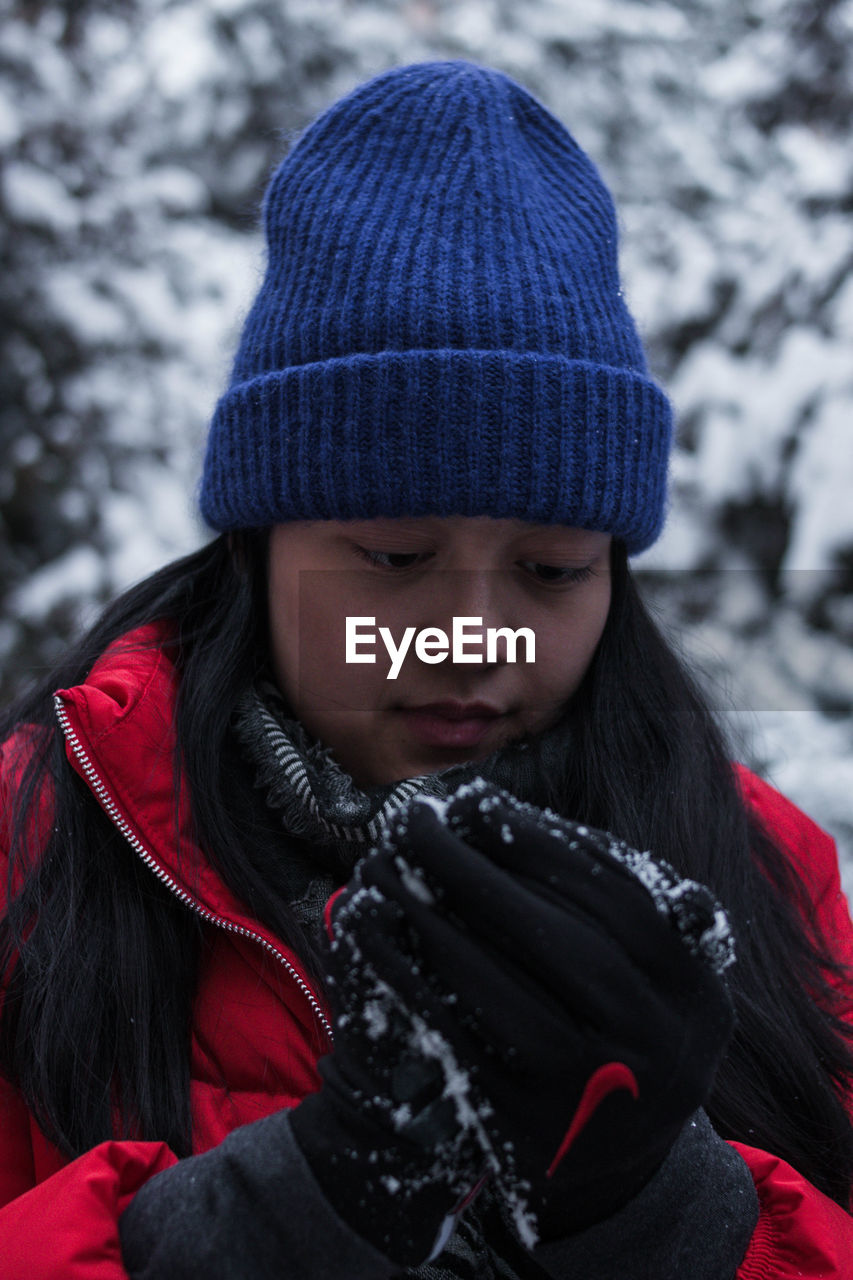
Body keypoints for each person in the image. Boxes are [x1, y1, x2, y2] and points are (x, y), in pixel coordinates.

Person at [1, 59, 852, 1280]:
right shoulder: (39, 848)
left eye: (552, 571)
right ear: (258, 543)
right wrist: (262, 1229)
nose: (469, 636)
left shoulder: (763, 877)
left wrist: (673, 1222)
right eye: (394, 556)